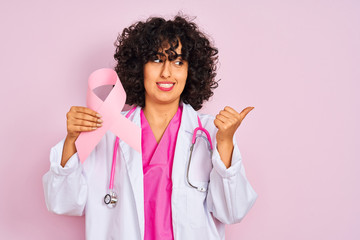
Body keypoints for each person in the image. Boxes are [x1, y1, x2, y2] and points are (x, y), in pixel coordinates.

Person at [43, 14, 258, 240]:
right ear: (139, 67)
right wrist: (71, 140)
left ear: (190, 70)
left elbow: (233, 211)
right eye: (156, 60)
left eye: (178, 62)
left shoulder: (211, 133)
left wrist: (224, 142)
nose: (166, 72)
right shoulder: (108, 130)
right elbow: (62, 202)